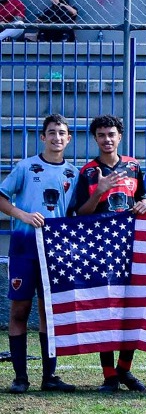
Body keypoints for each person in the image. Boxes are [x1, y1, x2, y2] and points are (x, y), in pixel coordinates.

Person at [0, 114, 78, 393]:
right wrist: (22, 214)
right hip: (24, 248)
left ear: (69, 139)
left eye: (62, 133)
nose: (57, 137)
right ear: (43, 137)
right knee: (20, 310)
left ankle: (49, 377)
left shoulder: (73, 173)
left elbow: (77, 212)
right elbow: (1, 197)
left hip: (55, 251)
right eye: (52, 132)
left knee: (49, 312)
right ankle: (20, 378)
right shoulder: (25, 166)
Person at [71, 114, 146, 393]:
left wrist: (145, 203)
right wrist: (99, 192)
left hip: (131, 246)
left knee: (131, 308)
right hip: (100, 249)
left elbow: (142, 199)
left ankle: (125, 369)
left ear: (120, 137)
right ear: (95, 138)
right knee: (105, 310)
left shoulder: (133, 166)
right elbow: (79, 214)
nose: (107, 139)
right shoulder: (88, 172)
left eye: (111, 134)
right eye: (102, 135)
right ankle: (109, 376)